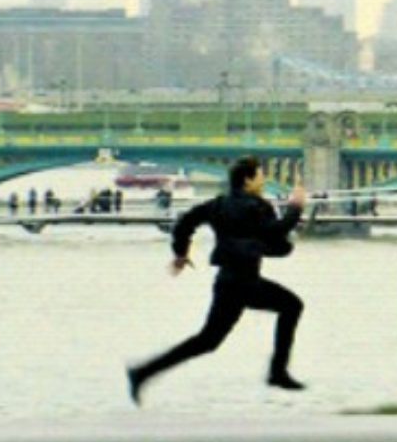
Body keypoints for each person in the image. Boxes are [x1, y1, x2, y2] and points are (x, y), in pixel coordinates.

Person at [127, 155, 308, 402]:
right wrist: (295, 207)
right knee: (292, 306)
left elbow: (184, 223)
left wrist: (181, 253)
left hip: (226, 283)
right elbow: (274, 233)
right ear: (247, 180)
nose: (263, 181)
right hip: (246, 282)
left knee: (206, 341)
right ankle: (277, 372)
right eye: (260, 176)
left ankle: (142, 373)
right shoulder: (258, 206)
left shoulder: (217, 205)